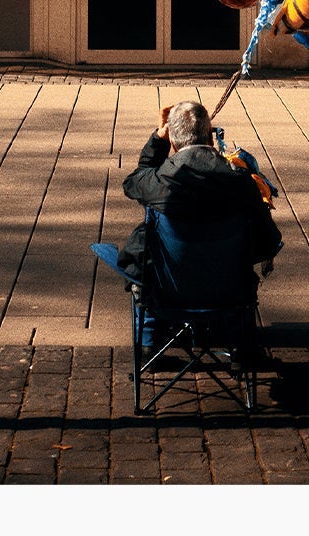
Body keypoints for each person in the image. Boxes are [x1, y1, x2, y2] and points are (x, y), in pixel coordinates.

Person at [118, 100, 282, 353]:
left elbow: (133, 182)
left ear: (172, 140)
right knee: (239, 263)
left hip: (168, 290)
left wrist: (158, 140)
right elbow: (268, 240)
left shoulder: (159, 181)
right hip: (228, 292)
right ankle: (240, 346)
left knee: (143, 259)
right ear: (210, 137)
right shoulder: (241, 184)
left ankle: (149, 341)